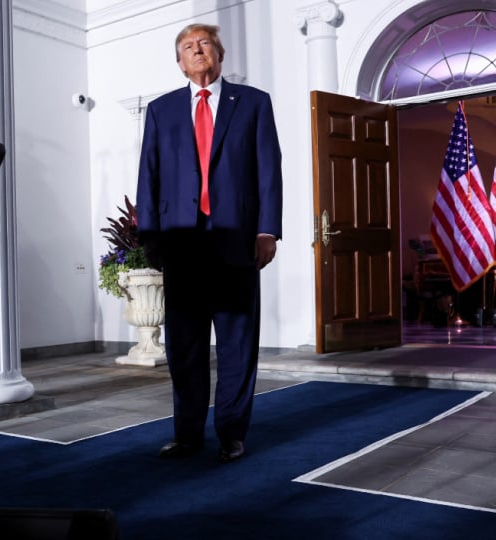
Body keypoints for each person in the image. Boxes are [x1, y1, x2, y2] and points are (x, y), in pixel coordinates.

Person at [136, 23, 283, 463]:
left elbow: (269, 169)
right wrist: (150, 238)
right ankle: (187, 435)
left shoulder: (253, 103)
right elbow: (149, 174)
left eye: (204, 43)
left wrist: (267, 230)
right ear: (179, 61)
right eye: (187, 46)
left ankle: (232, 432)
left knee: (237, 343)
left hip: (237, 242)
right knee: (185, 346)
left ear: (219, 54)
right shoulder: (161, 110)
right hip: (182, 245)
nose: (197, 50)